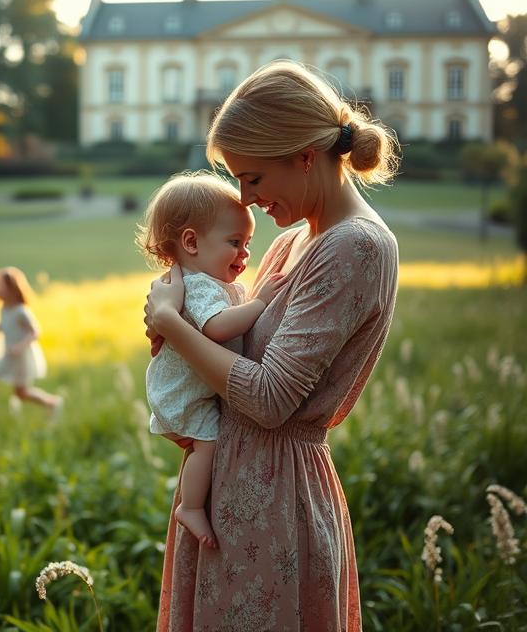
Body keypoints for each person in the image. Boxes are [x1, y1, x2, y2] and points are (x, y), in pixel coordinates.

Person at [145, 61, 399, 630]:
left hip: (276, 503)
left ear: (304, 156)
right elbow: (236, 353)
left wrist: (177, 328)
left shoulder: (356, 248)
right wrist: (176, 332)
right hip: (231, 490)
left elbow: (267, 399)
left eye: (253, 177)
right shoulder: (291, 244)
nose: (245, 197)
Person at [136, 171, 286, 546]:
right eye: (235, 241)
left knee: (206, 442)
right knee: (209, 442)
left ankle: (191, 503)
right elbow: (217, 328)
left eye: (248, 242)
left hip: (185, 387)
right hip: (182, 394)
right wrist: (260, 301)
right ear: (191, 242)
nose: (245, 253)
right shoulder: (200, 286)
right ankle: (190, 507)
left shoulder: (205, 281)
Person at [0, 266, 61, 417]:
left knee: (21, 393)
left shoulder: (21, 311)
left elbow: (35, 332)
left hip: (20, 358)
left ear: (11, 289)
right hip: (8, 355)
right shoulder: (5, 308)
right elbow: (3, 325)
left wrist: (20, 346)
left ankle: (53, 403)